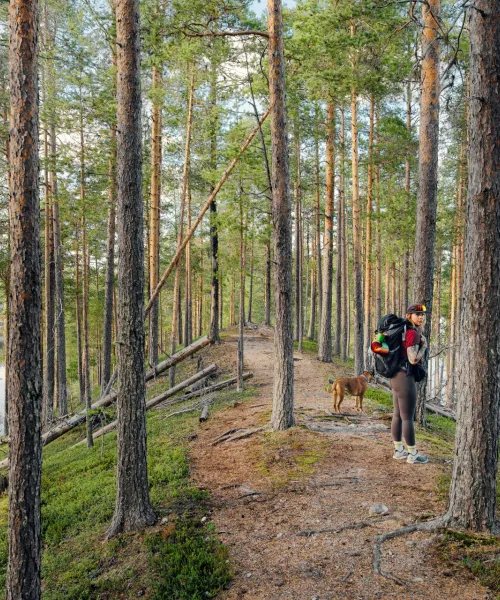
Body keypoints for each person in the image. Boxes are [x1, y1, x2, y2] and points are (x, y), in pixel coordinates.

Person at [391, 304, 429, 464]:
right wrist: (424, 346)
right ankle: (412, 454)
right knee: (407, 417)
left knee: (397, 414)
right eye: (417, 314)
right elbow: (413, 358)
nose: (420, 317)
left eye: (422, 314)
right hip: (405, 378)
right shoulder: (412, 334)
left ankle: (399, 450)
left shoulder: (403, 332)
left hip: (395, 376)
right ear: (409, 316)